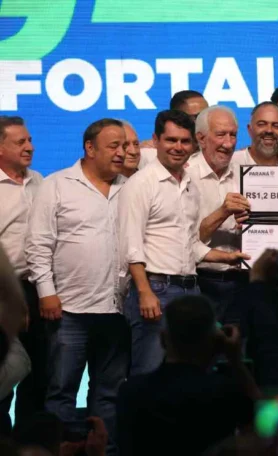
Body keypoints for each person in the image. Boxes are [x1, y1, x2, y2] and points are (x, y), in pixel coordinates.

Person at [26, 118, 131, 452]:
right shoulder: (56, 185)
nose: (122, 152)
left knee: (109, 393)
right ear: (90, 148)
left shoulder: (130, 187)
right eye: (114, 146)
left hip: (117, 310)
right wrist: (46, 293)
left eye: (125, 146)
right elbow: (38, 245)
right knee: (61, 391)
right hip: (68, 309)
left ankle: (105, 452)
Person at [119, 109, 249, 377]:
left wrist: (226, 257)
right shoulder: (141, 183)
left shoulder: (189, 184)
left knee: (191, 371)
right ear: (156, 140)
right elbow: (131, 245)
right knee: (149, 372)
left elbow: (191, 243)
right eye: (171, 140)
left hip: (191, 288)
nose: (178, 147)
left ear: (193, 144)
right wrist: (144, 292)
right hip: (156, 288)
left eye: (184, 141)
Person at [116, 295, 257, 456]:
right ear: (214, 342)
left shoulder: (131, 393)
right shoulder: (224, 393)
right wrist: (235, 360)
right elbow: (264, 427)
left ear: (163, 339)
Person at [0, 116, 45, 426]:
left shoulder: (40, 181)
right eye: (20, 142)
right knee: (5, 370)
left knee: (39, 372)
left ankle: (31, 441)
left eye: (29, 140)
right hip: (5, 290)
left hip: (38, 288)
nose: (29, 147)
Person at [188, 106, 251, 324]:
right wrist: (223, 212)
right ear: (201, 138)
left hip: (241, 283)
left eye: (233, 135)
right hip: (200, 283)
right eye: (221, 134)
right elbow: (185, 240)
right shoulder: (185, 175)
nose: (229, 143)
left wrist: (252, 225)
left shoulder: (245, 172)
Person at [138, 90, 209, 168]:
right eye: (197, 117)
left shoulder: (214, 151)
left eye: (206, 115)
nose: (204, 121)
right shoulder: (149, 154)